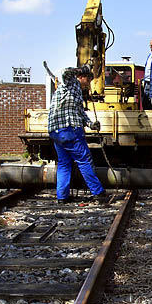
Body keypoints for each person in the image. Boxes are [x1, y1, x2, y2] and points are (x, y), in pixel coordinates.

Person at [48, 65, 109, 204]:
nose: (88, 84)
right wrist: (79, 69)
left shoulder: (75, 92)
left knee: (64, 163)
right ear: (82, 77)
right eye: (88, 80)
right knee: (84, 160)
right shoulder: (70, 82)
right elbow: (65, 72)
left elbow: (80, 113)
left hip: (57, 131)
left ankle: (62, 197)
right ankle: (98, 193)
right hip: (69, 129)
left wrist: (91, 124)